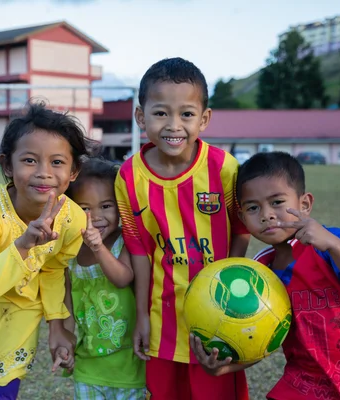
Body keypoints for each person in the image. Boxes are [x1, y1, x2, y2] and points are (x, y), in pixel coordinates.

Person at [193, 151, 340, 399]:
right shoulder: (260, 275)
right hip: (302, 385)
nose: (266, 214)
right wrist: (222, 368)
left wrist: (334, 245)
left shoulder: (334, 243)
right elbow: (266, 339)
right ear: (242, 218)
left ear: (305, 204)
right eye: (253, 207)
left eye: (277, 202)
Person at [114, 57, 251, 400]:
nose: (174, 125)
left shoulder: (224, 168)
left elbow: (241, 231)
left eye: (186, 114)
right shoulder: (129, 177)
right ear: (140, 116)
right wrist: (142, 316)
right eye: (161, 113)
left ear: (204, 119)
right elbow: (139, 252)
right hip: (163, 324)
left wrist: (226, 301)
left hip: (218, 318)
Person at [0, 102, 95, 400]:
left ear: (73, 171)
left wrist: (57, 327)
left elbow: (53, 270)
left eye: (57, 162)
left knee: (2, 389)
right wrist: (24, 244)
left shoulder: (73, 220)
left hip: (21, 318)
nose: (44, 173)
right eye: (30, 160)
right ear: (7, 165)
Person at [62, 158, 145, 399]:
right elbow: (67, 309)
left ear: (121, 206)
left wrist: (99, 248)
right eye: (85, 208)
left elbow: (123, 278)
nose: (96, 217)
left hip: (130, 368)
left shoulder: (126, 242)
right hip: (88, 368)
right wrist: (64, 346)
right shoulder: (70, 251)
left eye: (106, 206)